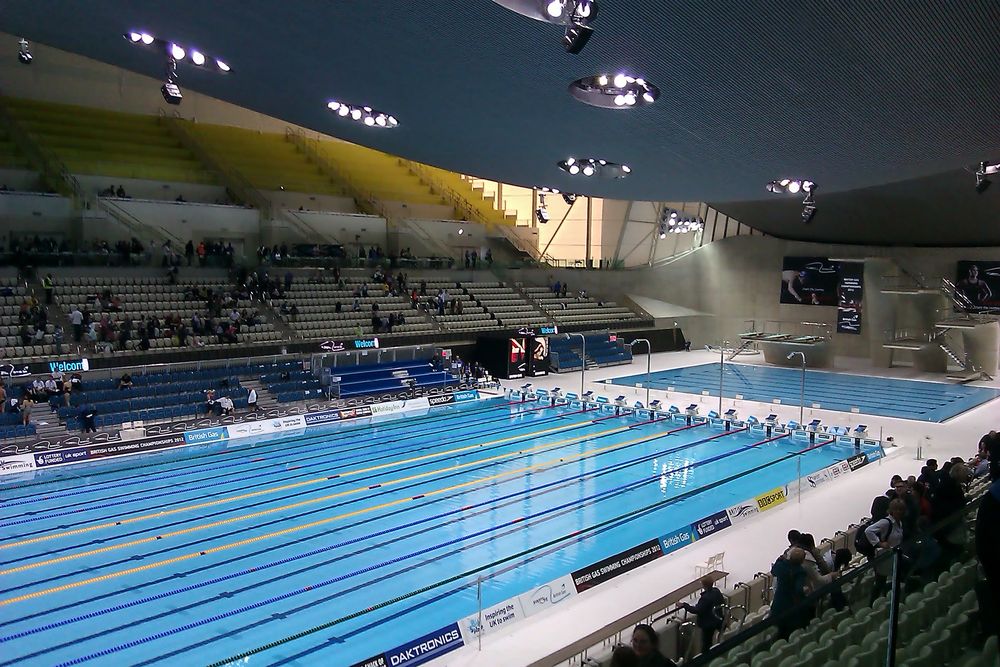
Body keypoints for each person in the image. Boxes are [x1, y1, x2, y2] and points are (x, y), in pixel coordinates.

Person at [865, 498, 906, 603]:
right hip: (885, 557)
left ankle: (893, 600)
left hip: (894, 555)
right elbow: (868, 531)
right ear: (891, 510)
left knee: (894, 578)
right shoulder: (886, 522)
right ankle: (873, 603)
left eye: (901, 510)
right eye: (897, 509)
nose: (899, 512)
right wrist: (879, 543)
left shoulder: (899, 522)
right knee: (880, 581)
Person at [678, 576, 726, 655]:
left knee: (706, 644)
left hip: (708, 624)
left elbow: (696, 610)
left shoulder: (705, 598)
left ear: (704, 585)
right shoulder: (716, 591)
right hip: (718, 619)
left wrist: (684, 605)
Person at [769, 547, 809, 639]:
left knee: (778, 629)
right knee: (789, 631)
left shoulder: (781, 566)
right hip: (791, 604)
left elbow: (773, 571)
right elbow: (799, 590)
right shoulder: (800, 571)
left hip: (778, 602)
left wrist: (779, 560)